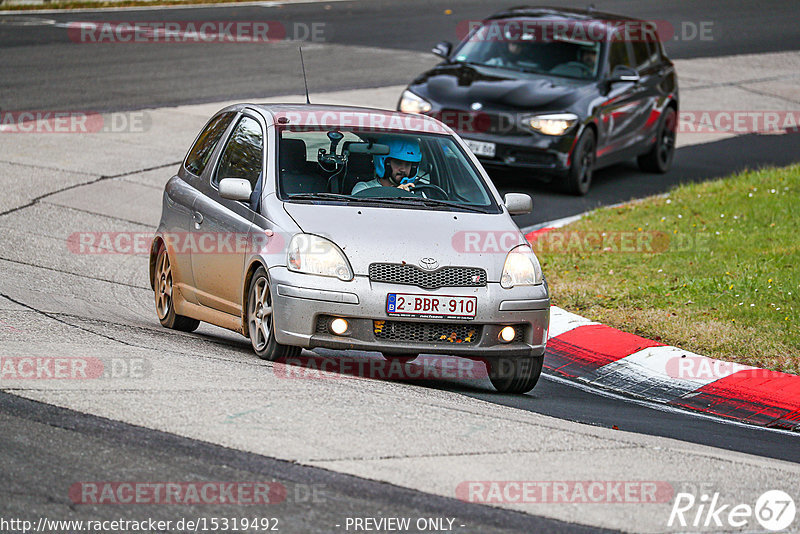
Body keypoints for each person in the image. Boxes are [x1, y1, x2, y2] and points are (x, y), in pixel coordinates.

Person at [351, 137, 421, 194]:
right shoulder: (364, 189)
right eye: (398, 163)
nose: (403, 169)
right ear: (383, 163)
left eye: (408, 164)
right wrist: (395, 194)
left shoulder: (419, 192)